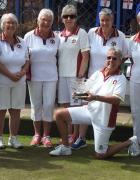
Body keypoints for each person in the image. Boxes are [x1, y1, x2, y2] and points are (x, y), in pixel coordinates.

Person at [49, 47, 140, 158]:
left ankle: (130, 142)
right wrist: (79, 94)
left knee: (101, 155)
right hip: (89, 111)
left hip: (104, 119)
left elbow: (116, 100)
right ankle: (65, 147)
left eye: (114, 58)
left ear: (120, 61)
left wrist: (95, 97)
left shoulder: (121, 78)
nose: (111, 60)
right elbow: (86, 89)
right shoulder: (98, 73)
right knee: (59, 114)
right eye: (109, 58)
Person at [71, 8, 128, 150]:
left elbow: (125, 56)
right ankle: (81, 138)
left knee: (104, 108)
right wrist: (82, 74)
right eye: (102, 20)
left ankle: (101, 139)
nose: (104, 23)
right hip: (93, 77)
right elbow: (85, 53)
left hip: (110, 79)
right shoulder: (91, 32)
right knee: (86, 106)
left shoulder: (120, 35)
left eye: (107, 20)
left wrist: (116, 73)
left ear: (112, 20)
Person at [0, 13, 29, 149]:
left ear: (16, 26)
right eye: (8, 22)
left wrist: (22, 72)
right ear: (2, 25)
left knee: (16, 111)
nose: (10, 25)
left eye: (13, 23)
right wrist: (11, 75)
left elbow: (27, 61)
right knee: (0, 111)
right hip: (1, 82)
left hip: (19, 82)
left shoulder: (23, 42)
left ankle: (13, 139)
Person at [24, 9, 59, 147]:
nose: (46, 22)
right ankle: (37, 134)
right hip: (34, 76)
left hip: (51, 76)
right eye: (43, 19)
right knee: (36, 105)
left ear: (52, 22)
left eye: (49, 20)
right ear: (38, 20)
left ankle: (46, 136)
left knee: (49, 105)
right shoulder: (28, 36)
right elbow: (24, 57)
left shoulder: (57, 37)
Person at [57, 4, 90, 145]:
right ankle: (69, 135)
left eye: (72, 16)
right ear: (62, 18)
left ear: (76, 18)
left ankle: (77, 136)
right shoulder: (59, 35)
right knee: (65, 107)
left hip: (77, 77)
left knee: (77, 108)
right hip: (62, 76)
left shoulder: (81, 32)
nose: (69, 18)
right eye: (66, 16)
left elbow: (86, 56)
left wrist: (80, 75)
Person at [128, 11, 140, 147]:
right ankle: (136, 141)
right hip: (135, 80)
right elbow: (129, 60)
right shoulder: (132, 41)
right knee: (136, 112)